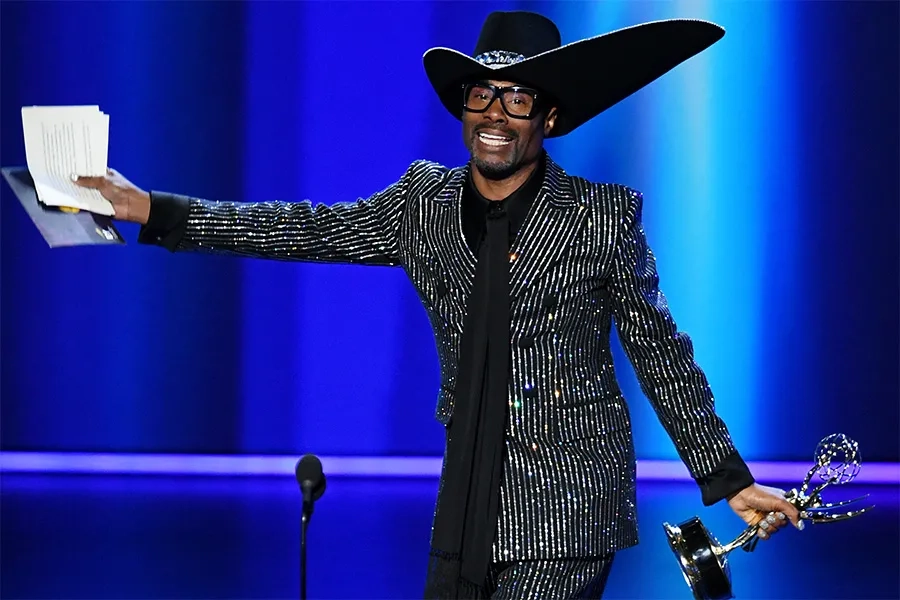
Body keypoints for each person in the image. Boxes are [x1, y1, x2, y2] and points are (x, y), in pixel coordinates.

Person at [75, 10, 802, 600]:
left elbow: (660, 354)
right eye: (481, 94)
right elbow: (305, 228)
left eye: (517, 97)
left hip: (569, 509)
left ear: (548, 117)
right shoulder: (421, 203)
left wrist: (728, 480)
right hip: (466, 504)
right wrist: (156, 211)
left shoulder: (600, 216)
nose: (495, 112)